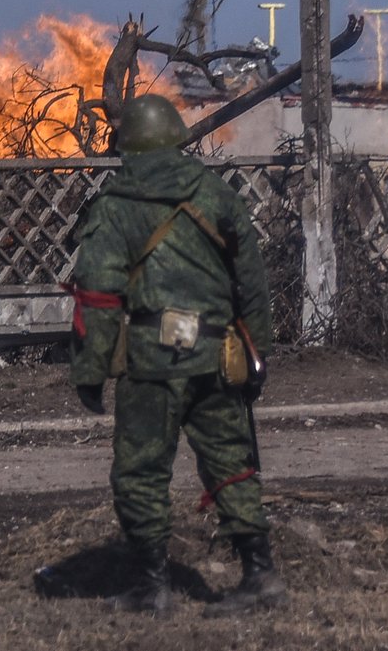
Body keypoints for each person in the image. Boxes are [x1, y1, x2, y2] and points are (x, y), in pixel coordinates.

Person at [64, 93, 285, 618]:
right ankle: (260, 574)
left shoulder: (116, 205)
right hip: (219, 356)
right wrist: (257, 355)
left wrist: (90, 372)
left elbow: (98, 296)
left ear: (129, 146)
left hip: (152, 362)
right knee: (231, 463)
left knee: (140, 472)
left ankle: (151, 586)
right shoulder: (217, 194)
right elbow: (251, 283)